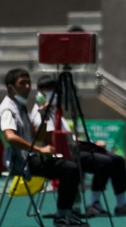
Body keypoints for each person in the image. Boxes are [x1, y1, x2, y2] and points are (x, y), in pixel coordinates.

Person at [30, 74, 126, 217]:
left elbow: (68, 136)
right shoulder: (39, 112)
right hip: (63, 154)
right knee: (104, 162)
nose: (53, 93)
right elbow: (52, 140)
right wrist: (85, 146)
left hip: (73, 148)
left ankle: (121, 204)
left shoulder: (56, 110)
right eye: (48, 89)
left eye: (55, 89)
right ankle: (94, 204)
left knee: (118, 160)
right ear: (40, 91)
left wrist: (91, 145)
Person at [1, 68, 87, 227]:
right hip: (21, 161)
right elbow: (10, 137)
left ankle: (65, 214)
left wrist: (44, 117)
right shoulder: (7, 109)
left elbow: (38, 137)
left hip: (31, 157)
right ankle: (62, 215)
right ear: (10, 87)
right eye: (22, 83)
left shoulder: (21, 107)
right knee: (69, 168)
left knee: (71, 167)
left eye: (28, 83)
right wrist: (40, 150)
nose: (27, 87)